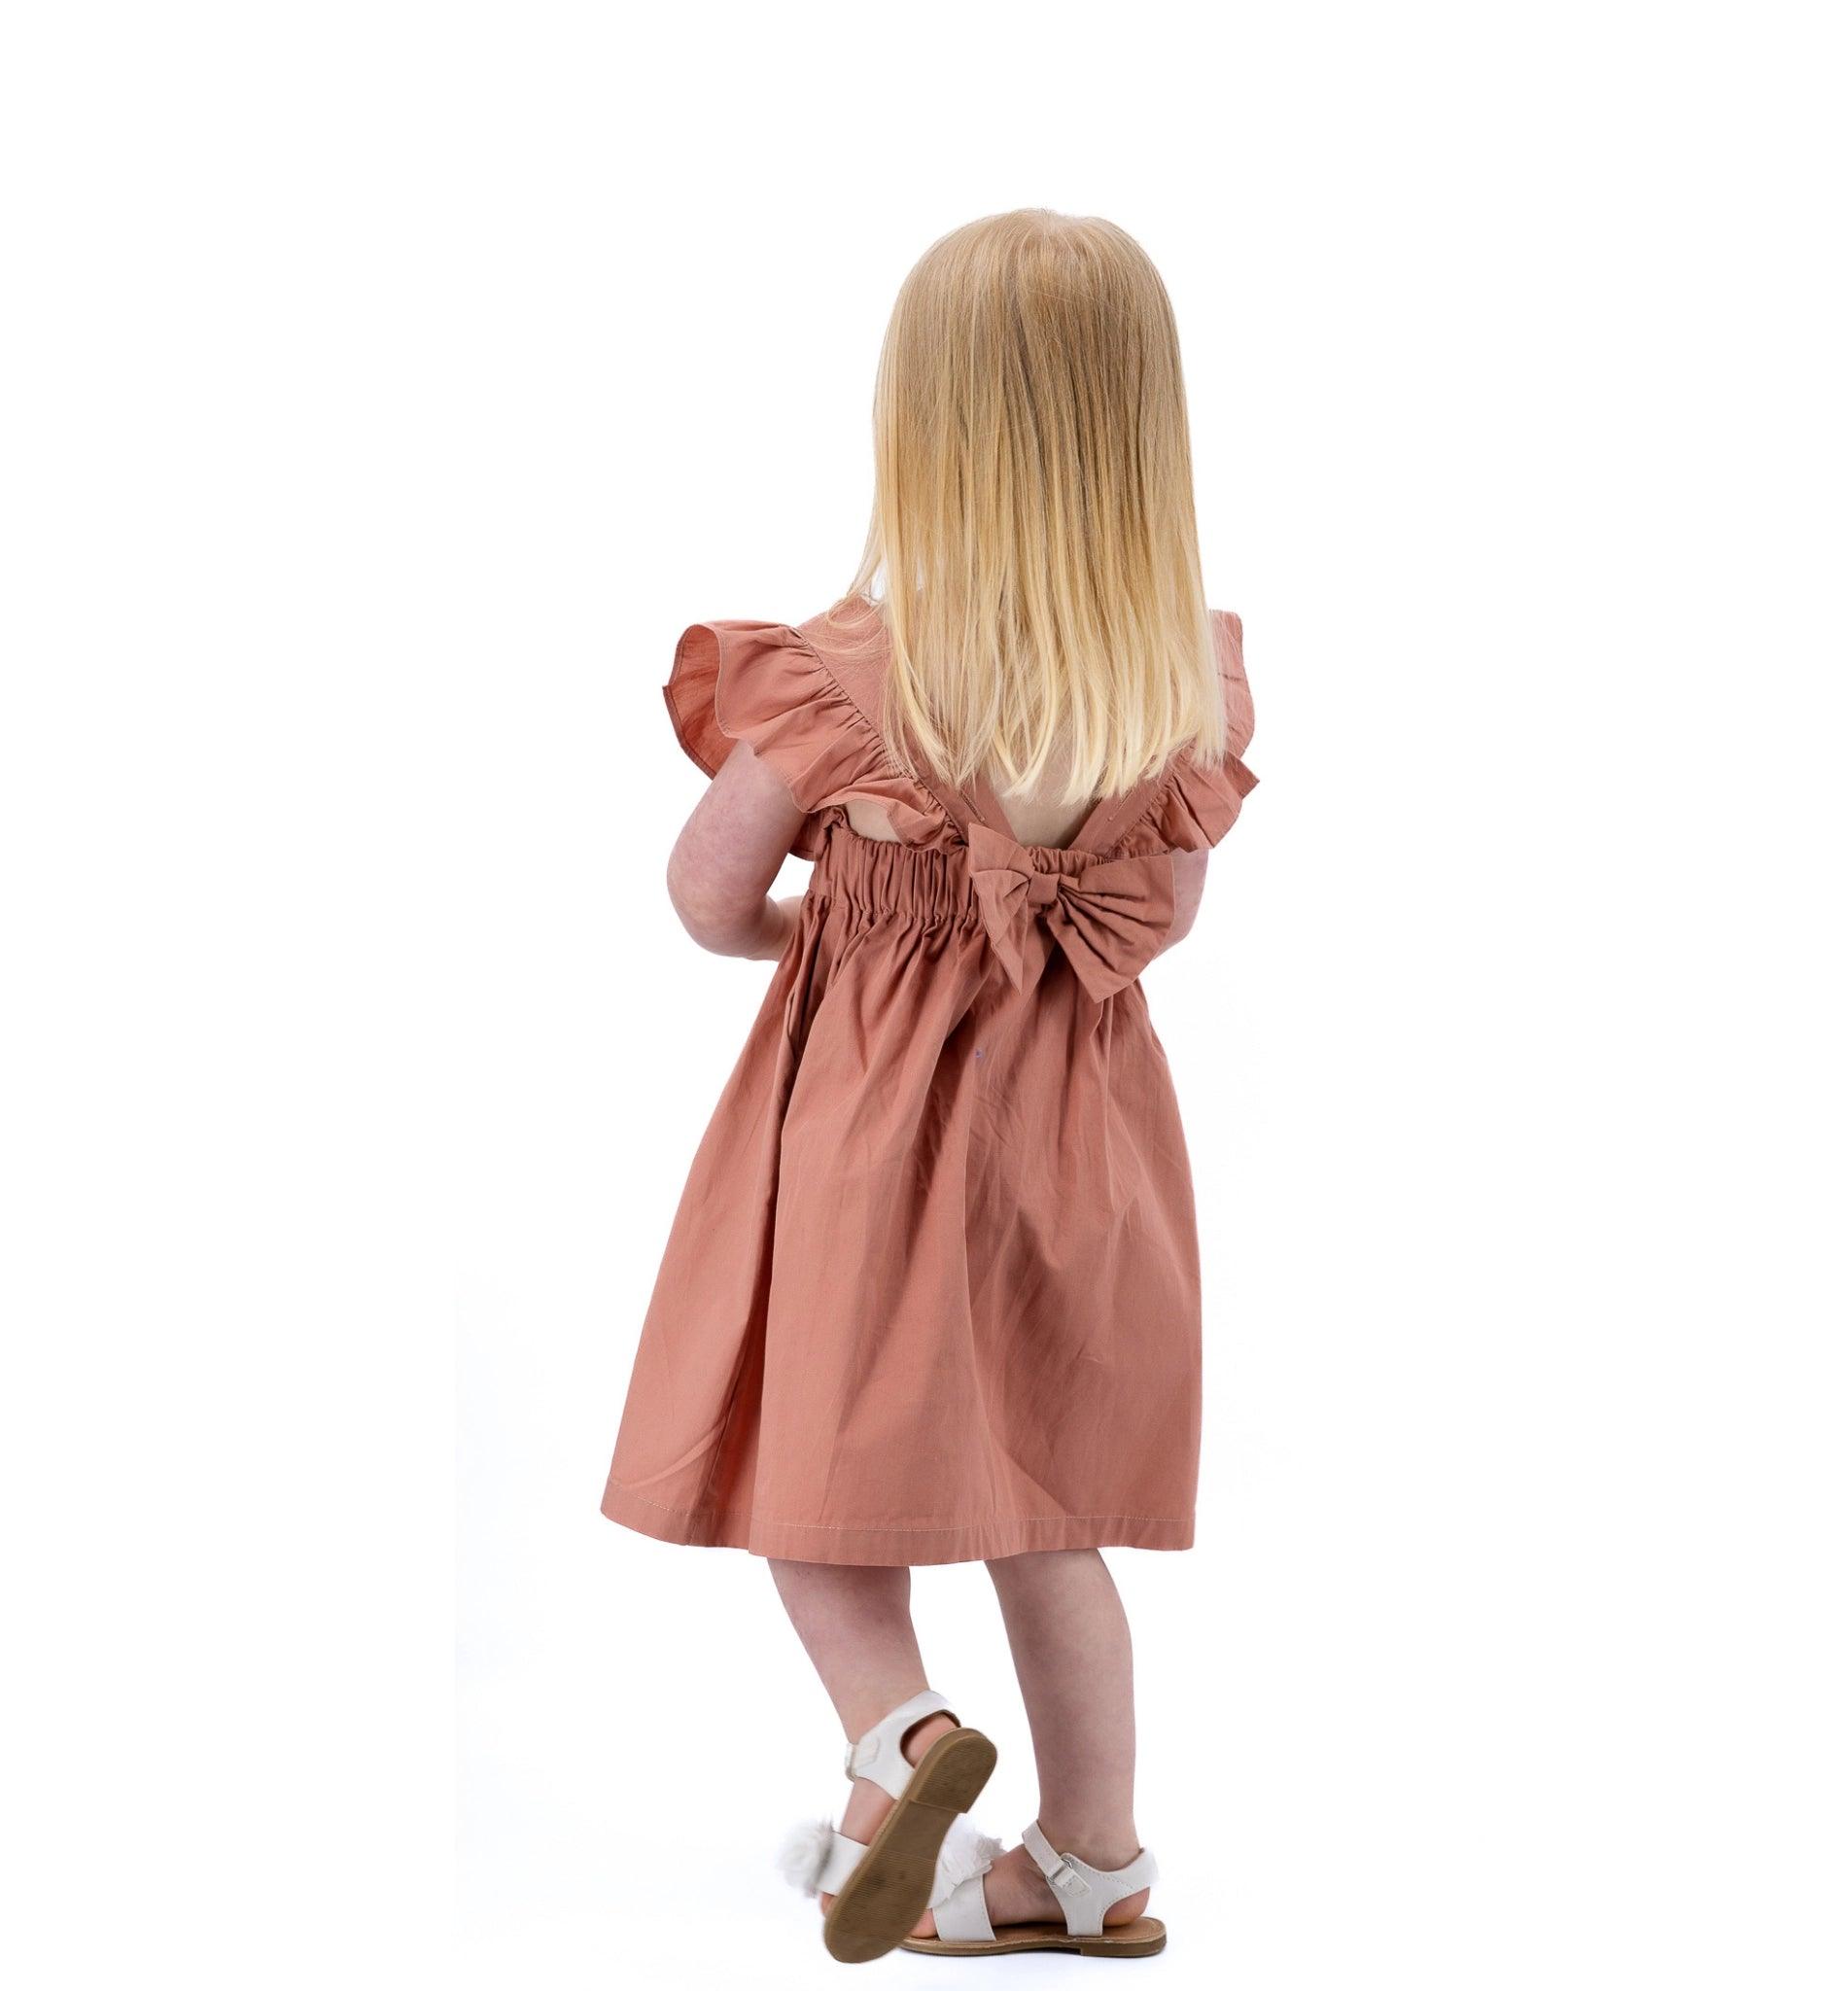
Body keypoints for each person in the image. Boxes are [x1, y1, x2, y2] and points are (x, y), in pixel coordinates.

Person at [603, 208, 1257, 1963]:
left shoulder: (838, 678)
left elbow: (702, 893)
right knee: (1051, 1512)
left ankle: (903, 1748)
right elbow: (1162, 922)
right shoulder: (1179, 674)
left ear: (925, 428)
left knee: (809, 1472)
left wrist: (827, 933)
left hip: (872, 1142)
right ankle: (1100, 1870)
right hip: (1086, 1144)